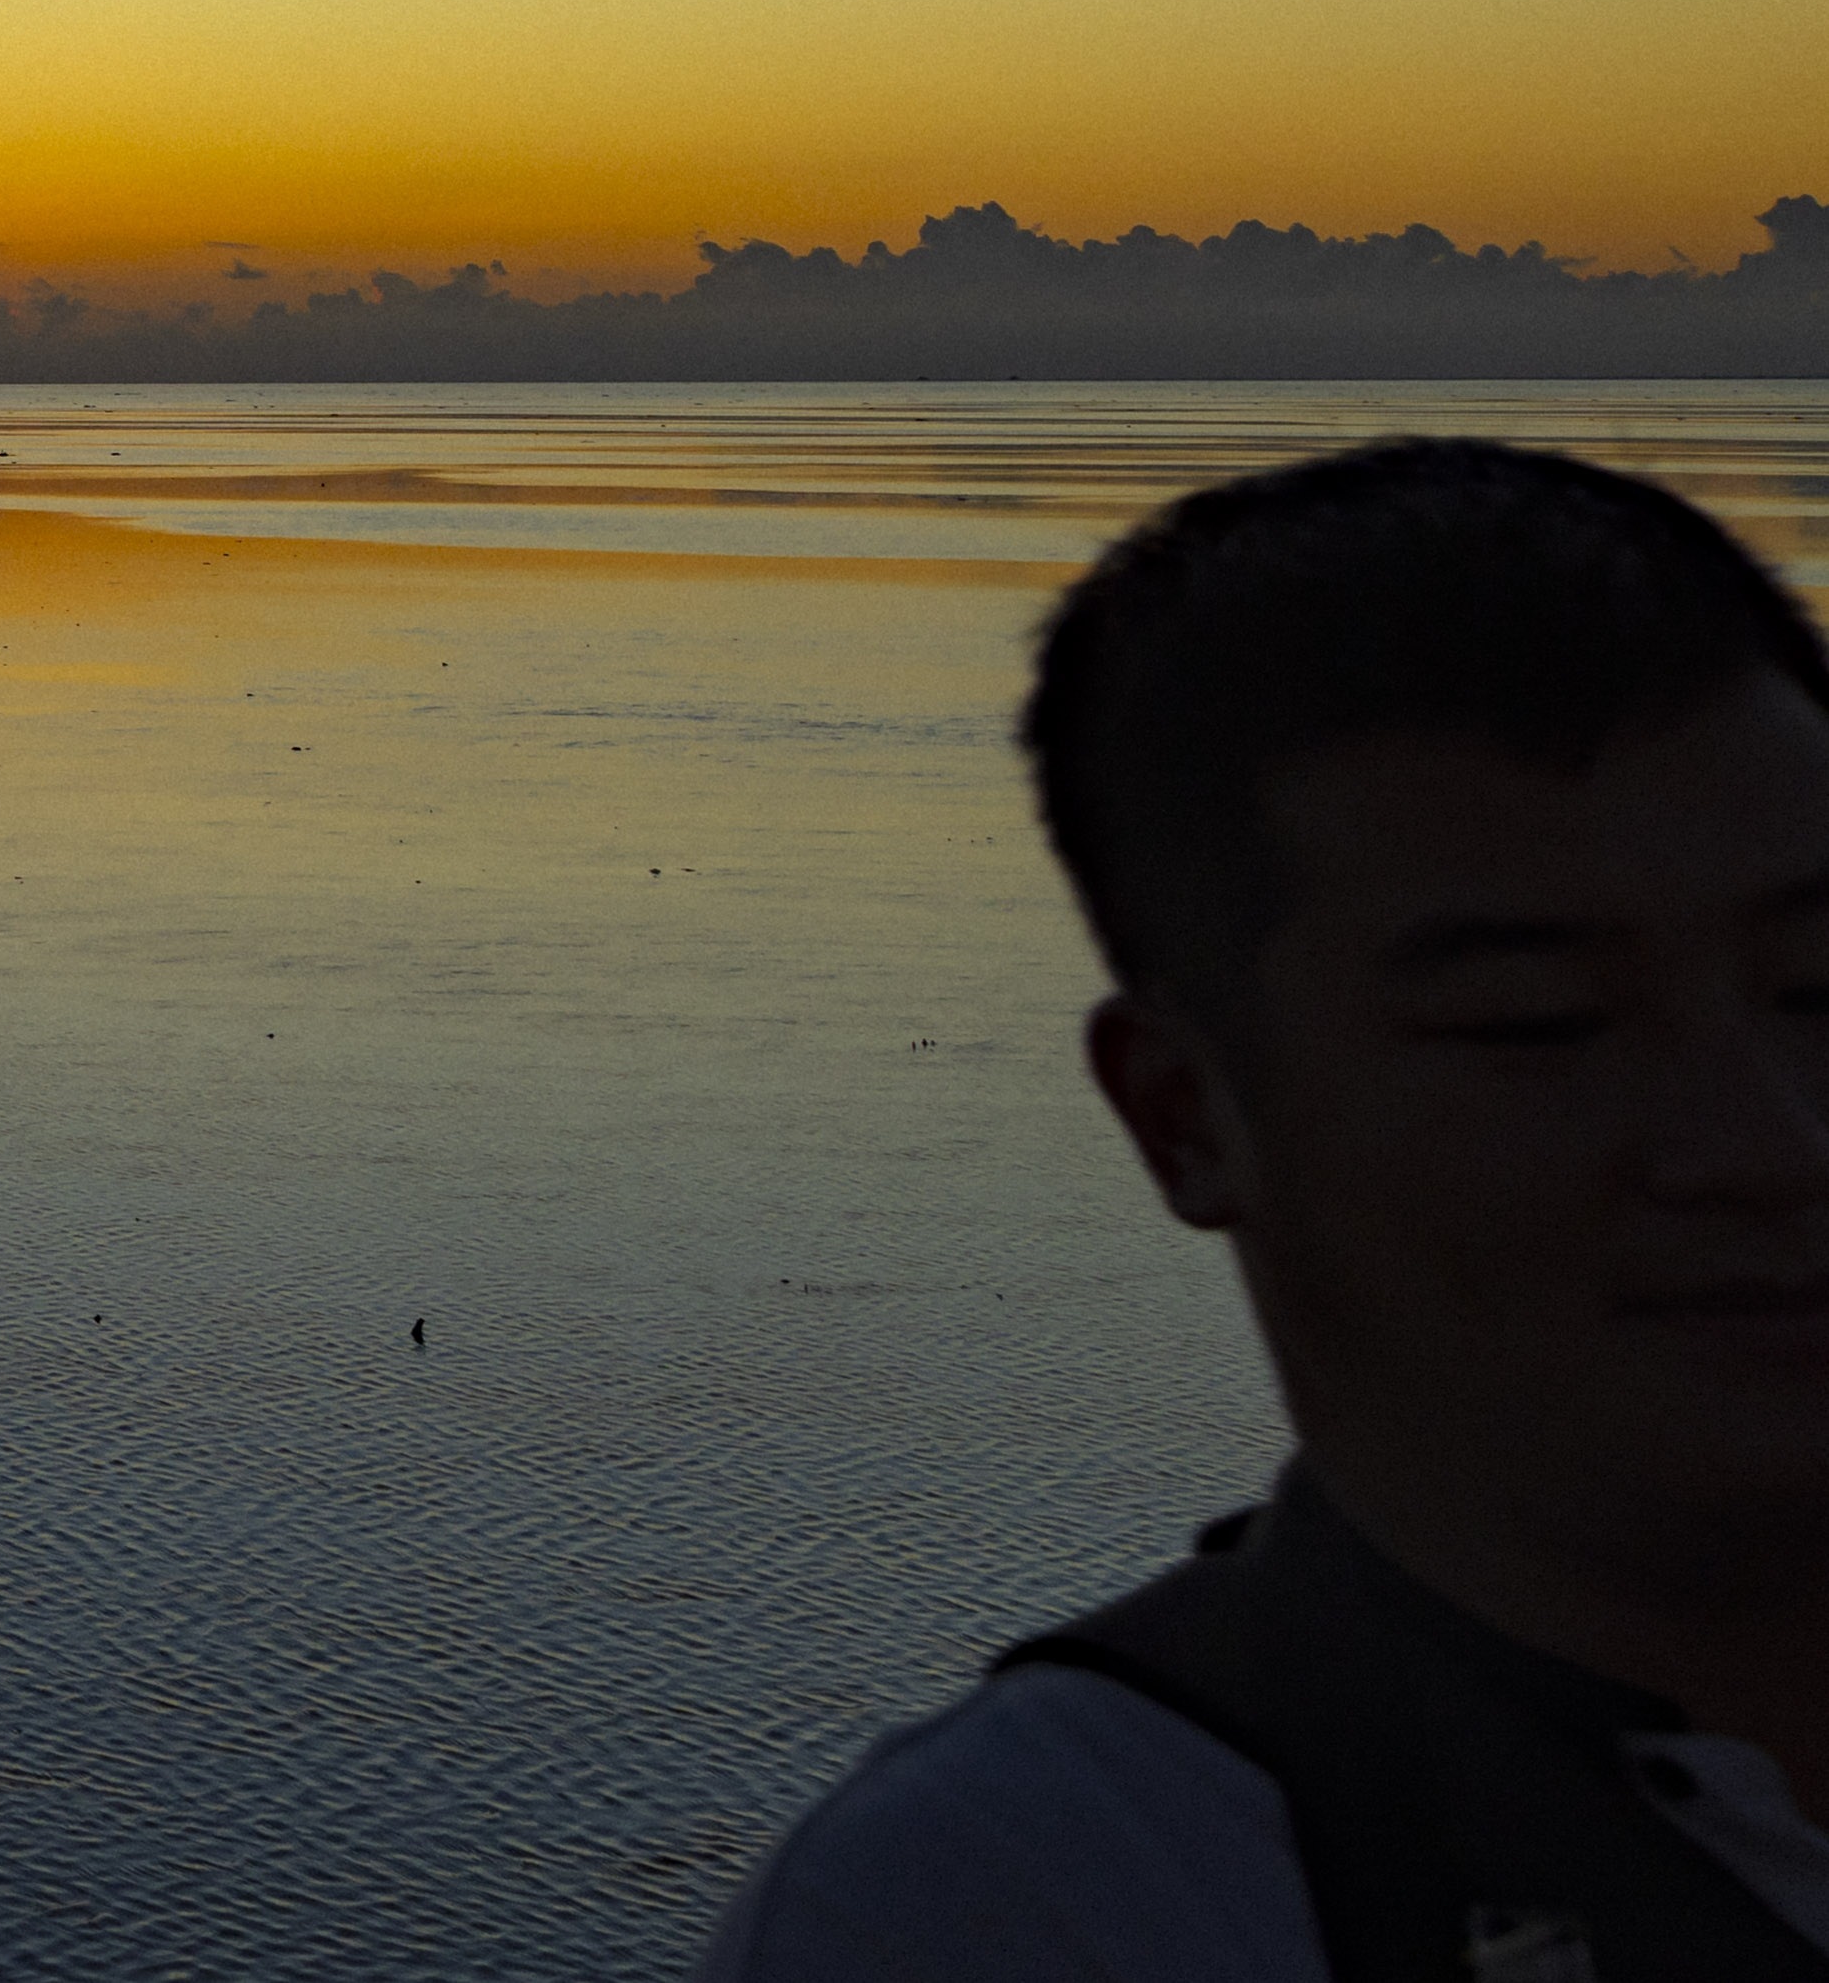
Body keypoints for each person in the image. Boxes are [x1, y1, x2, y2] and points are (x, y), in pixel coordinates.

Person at [710, 440, 1829, 1977]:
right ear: (1184, 1114)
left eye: (1821, 987)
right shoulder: (1038, 1899)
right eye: (1537, 1019)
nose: (1774, 1141)